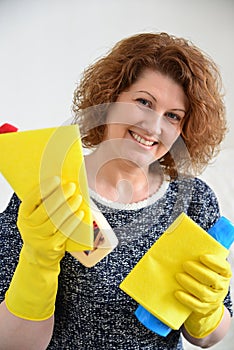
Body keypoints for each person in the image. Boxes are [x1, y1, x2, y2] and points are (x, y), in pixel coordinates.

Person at [0, 32, 233, 350]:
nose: (153, 127)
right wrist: (38, 259)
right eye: (144, 102)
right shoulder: (48, 187)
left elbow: (208, 337)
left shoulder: (194, 200)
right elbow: (13, 344)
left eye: (173, 116)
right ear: (109, 99)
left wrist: (207, 311)